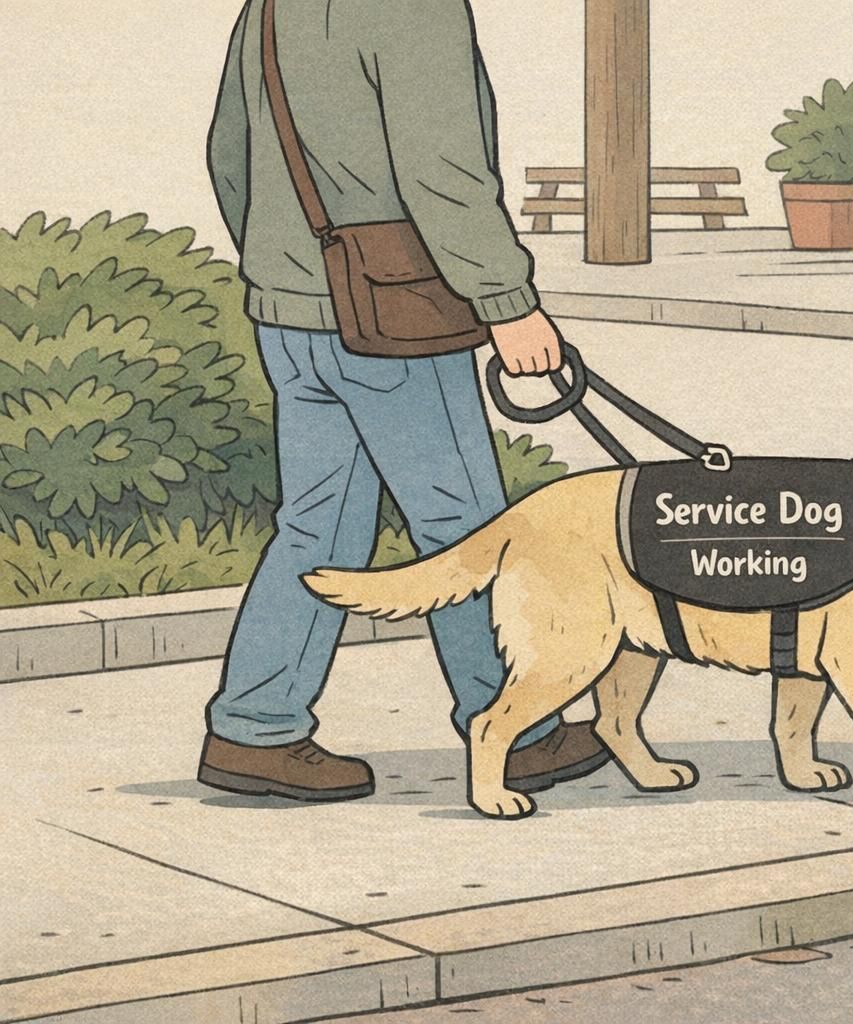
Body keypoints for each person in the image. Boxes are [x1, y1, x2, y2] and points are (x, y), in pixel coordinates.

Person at [198, 0, 608, 801]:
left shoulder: (270, 8)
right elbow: (443, 169)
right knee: (468, 523)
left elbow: (229, 157)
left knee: (317, 526)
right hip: (393, 316)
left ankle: (254, 726)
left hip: (289, 310)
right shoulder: (413, 7)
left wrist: (283, 267)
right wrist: (508, 302)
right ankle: (516, 729)